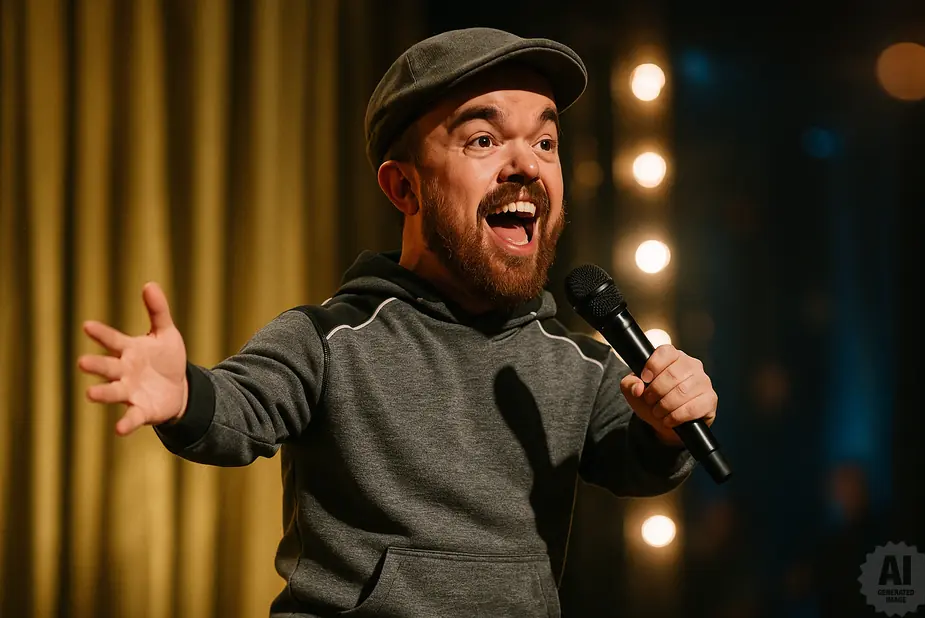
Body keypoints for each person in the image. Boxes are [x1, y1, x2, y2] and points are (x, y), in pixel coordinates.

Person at [77, 27, 720, 617]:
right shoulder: (331, 338)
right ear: (404, 188)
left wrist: (666, 428)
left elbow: (635, 462)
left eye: (546, 142)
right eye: (484, 139)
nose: (527, 165)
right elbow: (240, 408)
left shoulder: (579, 362)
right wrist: (185, 394)